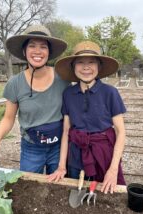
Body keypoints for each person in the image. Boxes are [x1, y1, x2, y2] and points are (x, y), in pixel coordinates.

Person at [0, 25, 69, 174]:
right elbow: (8, 118)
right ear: (24, 51)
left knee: (58, 190)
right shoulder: (15, 83)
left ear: (49, 52)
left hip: (59, 146)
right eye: (32, 46)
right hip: (31, 148)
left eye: (43, 47)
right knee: (28, 188)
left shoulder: (63, 78)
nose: (37, 51)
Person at [48, 41, 126, 194]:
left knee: (106, 194)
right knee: (77, 190)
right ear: (73, 67)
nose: (86, 67)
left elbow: (121, 131)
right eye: (80, 63)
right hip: (76, 154)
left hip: (103, 153)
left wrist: (113, 168)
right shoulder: (68, 94)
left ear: (99, 66)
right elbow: (66, 131)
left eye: (91, 62)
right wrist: (62, 166)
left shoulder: (110, 93)